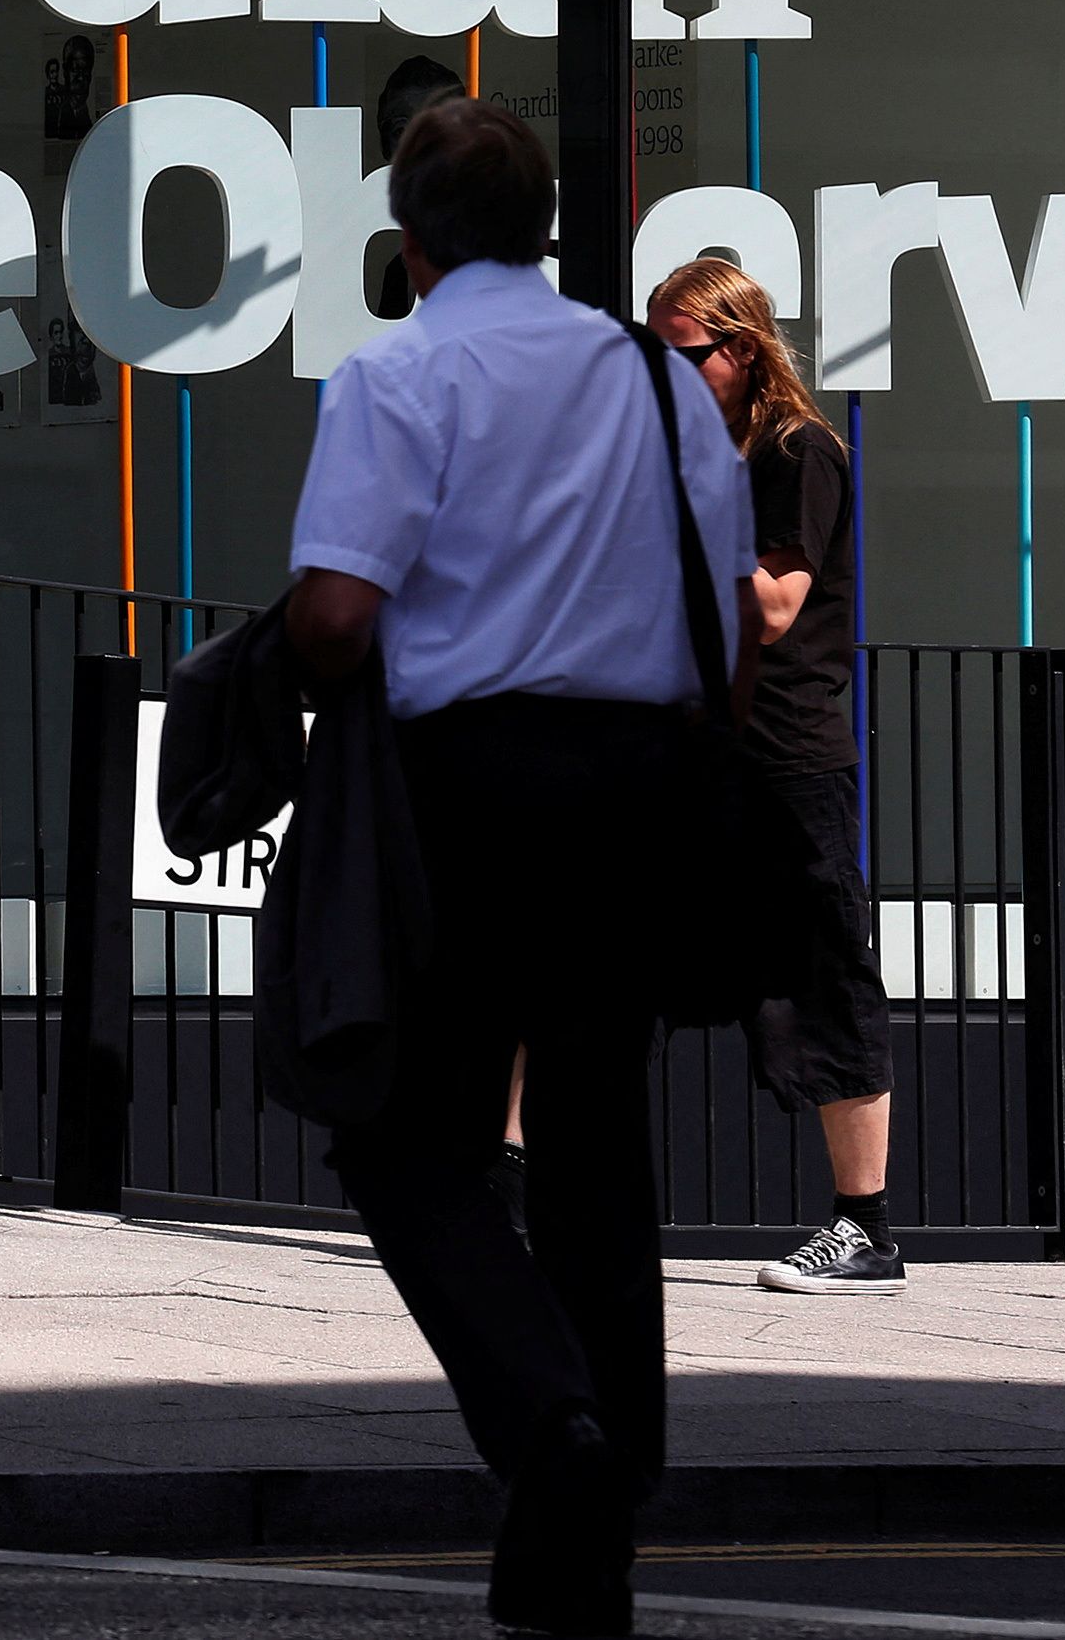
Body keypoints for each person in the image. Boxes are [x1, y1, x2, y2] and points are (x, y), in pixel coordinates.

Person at [282, 100, 758, 1638]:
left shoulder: (399, 374)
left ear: (408, 243)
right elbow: (730, 621)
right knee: (597, 1143)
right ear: (549, 229)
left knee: (412, 1145)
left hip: (467, 790)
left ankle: (555, 1423)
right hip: (636, 786)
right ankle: (592, 1529)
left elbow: (336, 616)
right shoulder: (657, 378)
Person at [647, 256, 899, 1295]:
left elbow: (773, 608)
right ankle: (519, 1182)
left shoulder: (797, 451)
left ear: (741, 349)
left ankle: (864, 1231)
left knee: (820, 977)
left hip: (783, 758)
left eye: (683, 356)